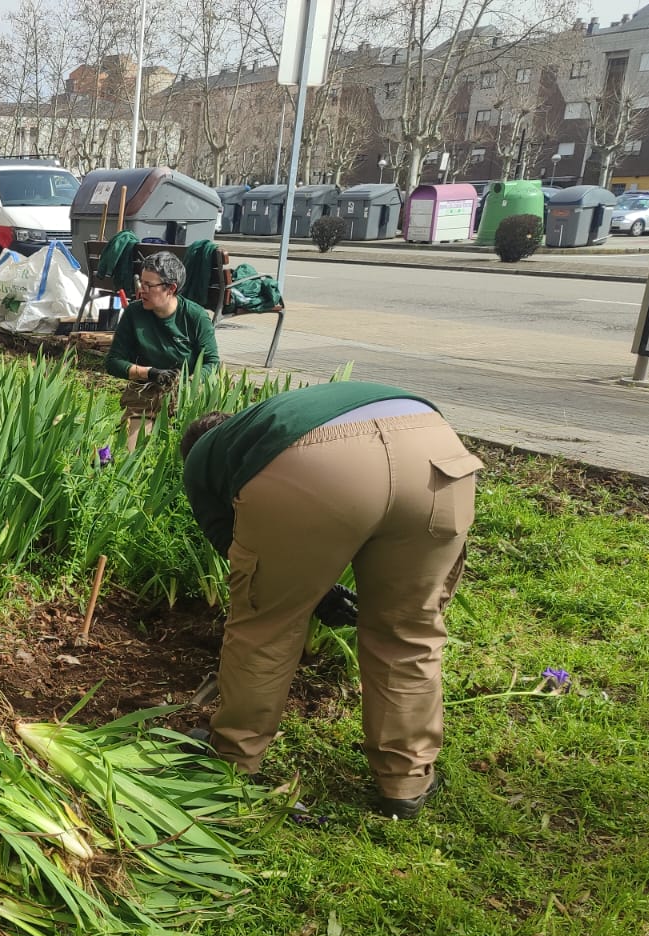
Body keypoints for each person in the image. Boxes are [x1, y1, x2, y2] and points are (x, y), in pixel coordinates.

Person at [179, 380, 484, 820]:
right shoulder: (277, 414)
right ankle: (406, 780)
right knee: (409, 630)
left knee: (267, 628)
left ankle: (234, 760)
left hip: (317, 467)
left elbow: (233, 544)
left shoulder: (203, 458)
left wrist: (302, 592)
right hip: (434, 448)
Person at [105, 250, 220, 449]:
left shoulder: (194, 316)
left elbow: (212, 361)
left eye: (149, 285)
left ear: (171, 288)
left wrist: (190, 383)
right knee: (130, 454)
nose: (141, 290)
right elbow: (113, 362)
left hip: (186, 396)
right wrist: (149, 373)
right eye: (141, 282)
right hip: (145, 393)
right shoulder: (134, 313)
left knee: (185, 452)